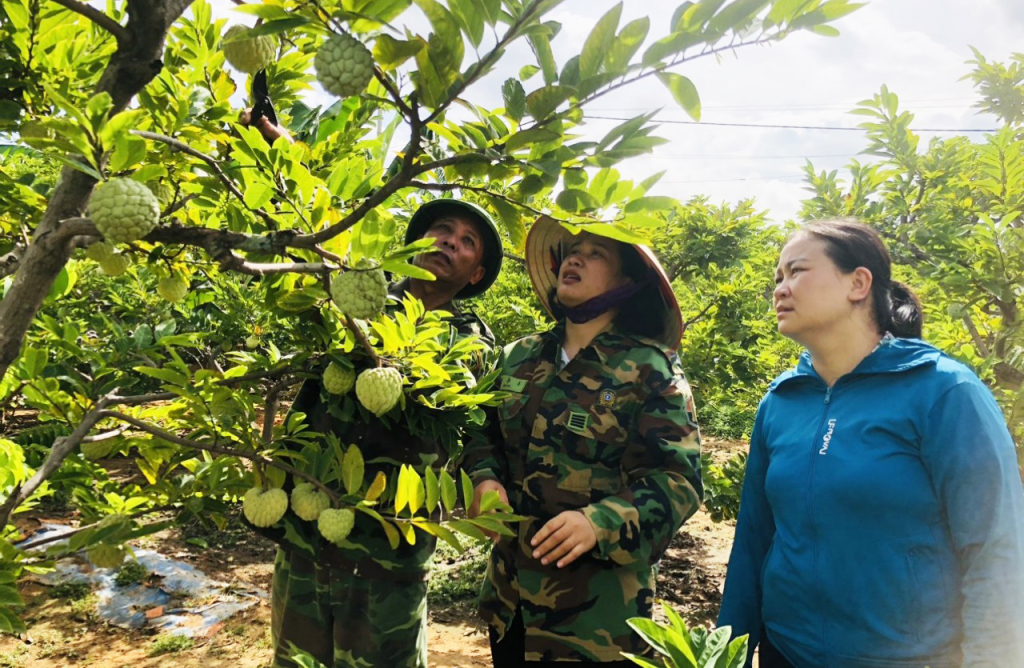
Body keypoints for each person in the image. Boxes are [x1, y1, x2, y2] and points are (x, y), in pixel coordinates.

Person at [717, 219, 1024, 668]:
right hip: (787, 652)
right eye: (777, 278)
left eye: (797, 271)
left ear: (858, 283)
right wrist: (728, 655)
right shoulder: (782, 402)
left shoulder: (942, 392)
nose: (780, 288)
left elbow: (996, 548)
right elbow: (753, 541)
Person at [252, 198, 505, 668]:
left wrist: (486, 478)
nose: (449, 240)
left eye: (467, 241)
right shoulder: (356, 295)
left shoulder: (471, 340)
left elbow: (475, 429)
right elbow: (315, 238)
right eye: (442, 229)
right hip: (309, 523)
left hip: (391, 546)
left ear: (475, 275)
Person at [462, 216, 703, 666]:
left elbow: (678, 482)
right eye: (572, 250)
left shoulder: (650, 369)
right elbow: (480, 431)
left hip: (598, 624)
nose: (575, 257)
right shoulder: (519, 357)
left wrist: (601, 522)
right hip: (510, 603)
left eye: (596, 254)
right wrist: (483, 478)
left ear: (627, 281)